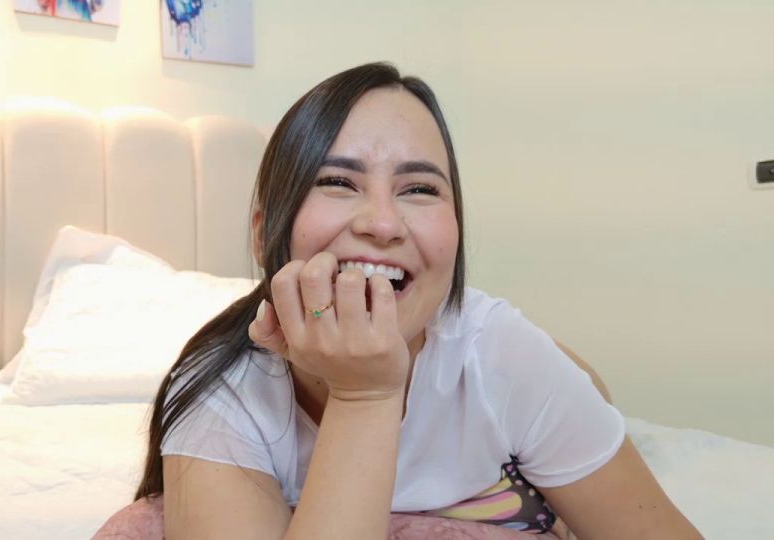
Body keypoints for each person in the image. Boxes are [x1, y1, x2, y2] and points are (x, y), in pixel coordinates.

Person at [134, 62, 701, 539]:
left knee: (579, 383)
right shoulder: (222, 395)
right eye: (338, 182)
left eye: (420, 189)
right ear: (263, 235)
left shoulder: (505, 357)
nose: (383, 224)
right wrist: (364, 395)